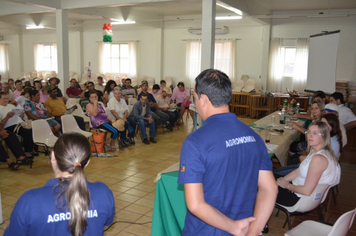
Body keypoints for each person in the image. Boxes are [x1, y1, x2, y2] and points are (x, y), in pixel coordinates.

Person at [178, 69, 277, 236]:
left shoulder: (195, 142)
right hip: (245, 227)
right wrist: (252, 231)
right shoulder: (253, 136)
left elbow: (195, 204)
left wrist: (233, 227)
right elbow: (270, 189)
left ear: (204, 99)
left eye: (195, 98)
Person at [4, 132, 115, 236]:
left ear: (53, 157)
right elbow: (107, 221)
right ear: (86, 163)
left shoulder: (30, 200)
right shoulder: (104, 193)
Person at [276, 121, 341, 206]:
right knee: (268, 178)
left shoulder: (319, 159)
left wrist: (286, 185)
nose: (309, 136)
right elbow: (298, 171)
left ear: (324, 136)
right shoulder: (318, 151)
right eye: (308, 132)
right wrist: (282, 180)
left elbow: (307, 191)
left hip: (298, 198)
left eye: (315, 133)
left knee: (260, 185)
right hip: (296, 189)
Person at [0, 91, 35, 162]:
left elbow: (19, 116)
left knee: (33, 129)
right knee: (27, 132)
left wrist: (20, 112)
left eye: (7, 98)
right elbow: (1, 125)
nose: (6, 100)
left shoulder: (11, 106)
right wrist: (7, 117)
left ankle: (30, 150)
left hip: (20, 123)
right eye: (4, 98)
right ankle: (26, 152)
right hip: (10, 126)